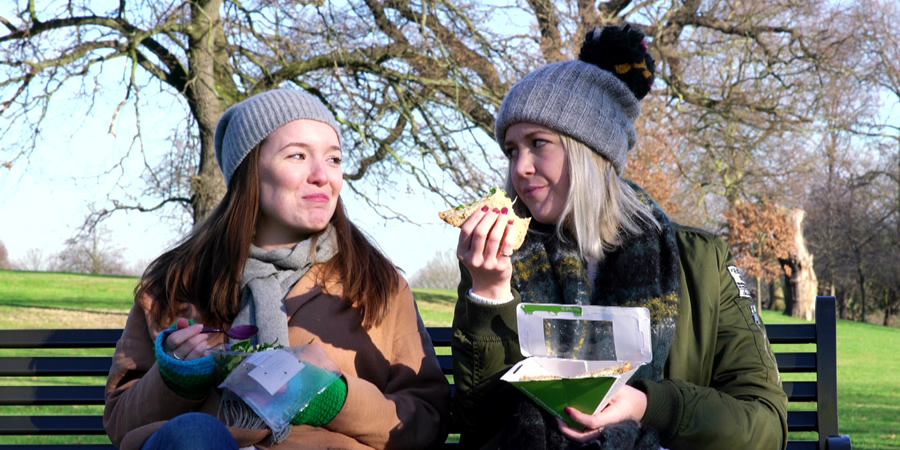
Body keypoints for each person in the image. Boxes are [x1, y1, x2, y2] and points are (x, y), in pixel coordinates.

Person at [450, 25, 787, 450]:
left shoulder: (699, 262)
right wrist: (490, 297)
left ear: (596, 153)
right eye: (512, 150)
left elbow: (765, 424)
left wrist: (647, 405)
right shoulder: (497, 259)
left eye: (539, 143)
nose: (520, 168)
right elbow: (479, 427)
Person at [104, 88, 451, 449]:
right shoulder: (174, 284)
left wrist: (337, 401)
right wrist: (176, 380)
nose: (322, 175)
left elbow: (427, 421)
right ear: (249, 171)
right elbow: (122, 426)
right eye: (298, 155)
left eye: (333, 159)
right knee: (195, 434)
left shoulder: (377, 284)